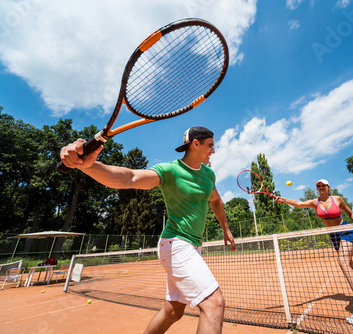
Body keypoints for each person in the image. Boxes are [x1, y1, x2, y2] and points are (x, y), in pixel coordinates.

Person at [60, 126, 236, 334]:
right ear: (195, 144)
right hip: (176, 244)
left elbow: (216, 201)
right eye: (210, 145)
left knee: (173, 311)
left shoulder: (208, 175)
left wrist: (226, 228)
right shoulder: (171, 170)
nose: (213, 151)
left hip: (192, 246)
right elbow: (129, 177)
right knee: (214, 303)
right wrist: (88, 166)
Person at [276, 179, 353, 326]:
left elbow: (350, 213)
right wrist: (283, 199)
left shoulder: (337, 199)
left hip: (345, 230)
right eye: (318, 186)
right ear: (317, 189)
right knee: (349, 262)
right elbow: (297, 204)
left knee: (342, 261)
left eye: (323, 185)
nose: (321, 187)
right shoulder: (314, 202)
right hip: (333, 235)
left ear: (329, 187)